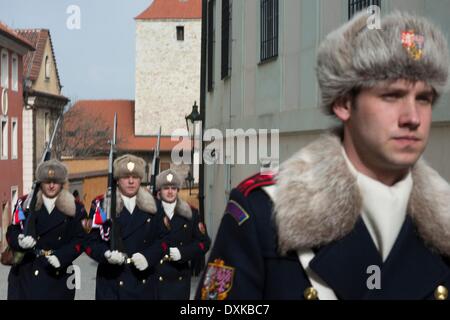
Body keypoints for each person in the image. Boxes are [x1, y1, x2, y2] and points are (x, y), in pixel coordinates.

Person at [196, 11, 450, 300]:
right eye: (391, 96)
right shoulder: (266, 213)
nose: (413, 117)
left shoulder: (444, 225)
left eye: (424, 99)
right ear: (343, 104)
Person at [85, 154, 169, 300]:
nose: (131, 181)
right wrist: (106, 254)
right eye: (125, 177)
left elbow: (165, 239)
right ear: (117, 180)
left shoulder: (154, 205)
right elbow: (90, 241)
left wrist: (148, 257)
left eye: (135, 177)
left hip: (144, 281)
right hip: (112, 283)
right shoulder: (103, 205)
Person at [6, 159, 87, 300]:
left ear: (62, 183)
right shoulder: (25, 204)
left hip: (58, 274)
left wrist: (62, 256)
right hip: (26, 273)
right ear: (39, 182)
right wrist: (19, 240)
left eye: (55, 181)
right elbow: (12, 230)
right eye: (46, 181)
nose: (51, 185)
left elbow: (81, 240)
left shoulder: (75, 208)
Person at [154, 169, 210, 299]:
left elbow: (204, 243)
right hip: (155, 279)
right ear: (159, 191)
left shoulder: (190, 214)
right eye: (166, 188)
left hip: (178, 280)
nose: (170, 192)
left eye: (173, 188)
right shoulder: (150, 213)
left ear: (178, 190)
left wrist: (183, 253)